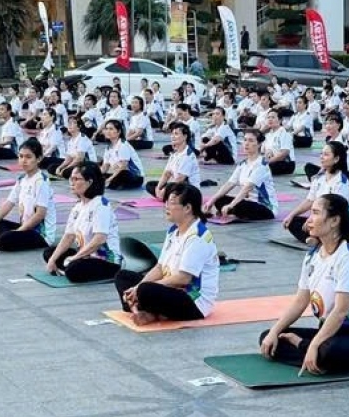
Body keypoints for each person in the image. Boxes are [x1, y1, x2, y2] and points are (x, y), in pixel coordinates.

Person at [260, 193, 349, 375]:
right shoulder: (312, 256)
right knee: (267, 338)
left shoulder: (348, 259)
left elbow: (340, 312)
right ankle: (311, 354)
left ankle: (304, 348)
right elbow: (300, 301)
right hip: (326, 332)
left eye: (315, 213)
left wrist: (311, 345)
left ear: (334, 221)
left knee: (327, 352)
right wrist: (275, 331)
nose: (309, 220)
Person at [114, 183, 220, 325]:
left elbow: (183, 279)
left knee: (145, 290)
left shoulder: (198, 237)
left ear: (188, 208)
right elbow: (159, 267)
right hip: (170, 289)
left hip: (192, 300)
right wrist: (137, 286)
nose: (166, 207)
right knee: (123, 277)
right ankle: (147, 311)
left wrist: (141, 288)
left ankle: (144, 309)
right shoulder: (173, 231)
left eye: (171, 203)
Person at [42, 163, 123, 283]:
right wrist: (53, 259)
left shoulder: (100, 205)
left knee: (73, 270)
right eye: (71, 179)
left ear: (89, 182)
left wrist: (74, 258)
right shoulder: (78, 207)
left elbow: (99, 239)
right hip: (86, 255)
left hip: (105, 260)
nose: (72, 183)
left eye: (76, 179)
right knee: (49, 253)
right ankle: (68, 265)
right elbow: (68, 236)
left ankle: (69, 267)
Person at [0, 138, 57, 251]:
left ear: (38, 159)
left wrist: (17, 232)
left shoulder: (41, 182)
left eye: (28, 157)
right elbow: (7, 205)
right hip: (25, 228)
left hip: (40, 235)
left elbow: (40, 214)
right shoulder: (22, 179)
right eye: (21, 156)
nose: (24, 160)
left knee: (6, 238)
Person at [283, 141, 349, 245]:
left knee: (327, 220)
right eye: (321, 154)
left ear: (336, 159)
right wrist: (291, 215)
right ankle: (318, 238)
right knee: (293, 222)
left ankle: (317, 237)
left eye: (326, 154)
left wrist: (312, 218)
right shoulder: (319, 178)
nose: (322, 157)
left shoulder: (342, 182)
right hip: (322, 219)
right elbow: (310, 200)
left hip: (338, 221)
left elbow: (336, 210)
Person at [202, 129, 277, 220]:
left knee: (240, 205)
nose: (246, 143)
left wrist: (231, 205)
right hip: (247, 202)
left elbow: (247, 188)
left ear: (259, 144)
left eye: (251, 140)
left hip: (265, 208)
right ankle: (233, 213)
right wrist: (211, 201)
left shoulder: (262, 164)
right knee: (219, 199)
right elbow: (230, 183)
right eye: (245, 140)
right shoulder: (243, 164)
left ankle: (233, 212)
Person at [145, 123, 200, 200]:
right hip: (176, 186)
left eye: (176, 134)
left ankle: (167, 197)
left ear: (185, 136)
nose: (172, 136)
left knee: (180, 187)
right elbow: (166, 174)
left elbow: (180, 179)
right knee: (150, 185)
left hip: (189, 190)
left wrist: (164, 191)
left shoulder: (188, 155)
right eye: (172, 133)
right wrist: (158, 188)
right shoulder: (174, 153)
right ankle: (167, 197)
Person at [100, 119, 146, 190]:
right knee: (97, 175)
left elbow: (123, 167)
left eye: (111, 129)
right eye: (106, 129)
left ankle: (111, 183)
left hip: (134, 177)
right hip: (118, 174)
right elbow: (105, 167)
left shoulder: (123, 145)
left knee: (122, 174)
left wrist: (109, 179)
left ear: (118, 132)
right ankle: (110, 183)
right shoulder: (108, 147)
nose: (108, 131)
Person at [262, 110, 296, 176]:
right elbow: (264, 152)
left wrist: (268, 161)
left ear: (280, 120)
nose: (270, 119)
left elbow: (284, 153)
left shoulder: (284, 133)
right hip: (273, 161)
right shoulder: (268, 134)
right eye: (268, 117)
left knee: (262, 169)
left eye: (273, 117)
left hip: (286, 163)